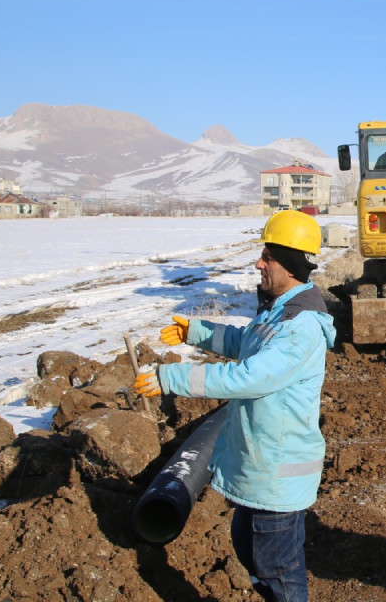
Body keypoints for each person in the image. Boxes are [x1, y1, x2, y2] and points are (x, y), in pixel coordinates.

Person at [134, 209, 335, 602]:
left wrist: (170, 378)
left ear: (291, 265)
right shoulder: (281, 312)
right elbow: (247, 344)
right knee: (251, 550)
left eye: (268, 257)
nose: (259, 263)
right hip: (259, 469)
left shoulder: (300, 327)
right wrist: (197, 331)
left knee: (278, 570)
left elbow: (249, 376)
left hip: (278, 475)